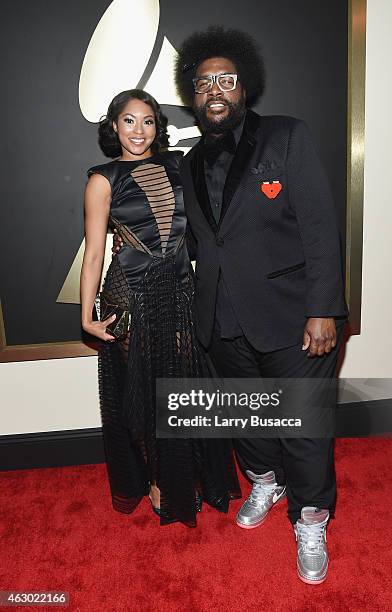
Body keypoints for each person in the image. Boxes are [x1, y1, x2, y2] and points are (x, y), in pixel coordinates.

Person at [173, 26, 348, 582]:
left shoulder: (286, 136)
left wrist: (324, 308)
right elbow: (204, 244)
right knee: (249, 419)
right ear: (192, 94)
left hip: (296, 317)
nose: (215, 90)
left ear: (245, 86)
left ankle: (311, 518)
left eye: (226, 80)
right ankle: (265, 483)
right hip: (224, 318)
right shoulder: (191, 161)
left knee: (303, 426)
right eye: (203, 83)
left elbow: (320, 229)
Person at [80, 88, 240, 527]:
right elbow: (95, 252)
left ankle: (187, 472)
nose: (138, 130)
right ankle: (157, 479)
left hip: (180, 288)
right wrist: (85, 315)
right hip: (130, 292)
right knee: (147, 393)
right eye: (128, 120)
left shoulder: (178, 165)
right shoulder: (103, 178)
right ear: (113, 126)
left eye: (147, 120)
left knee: (183, 387)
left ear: (158, 127)